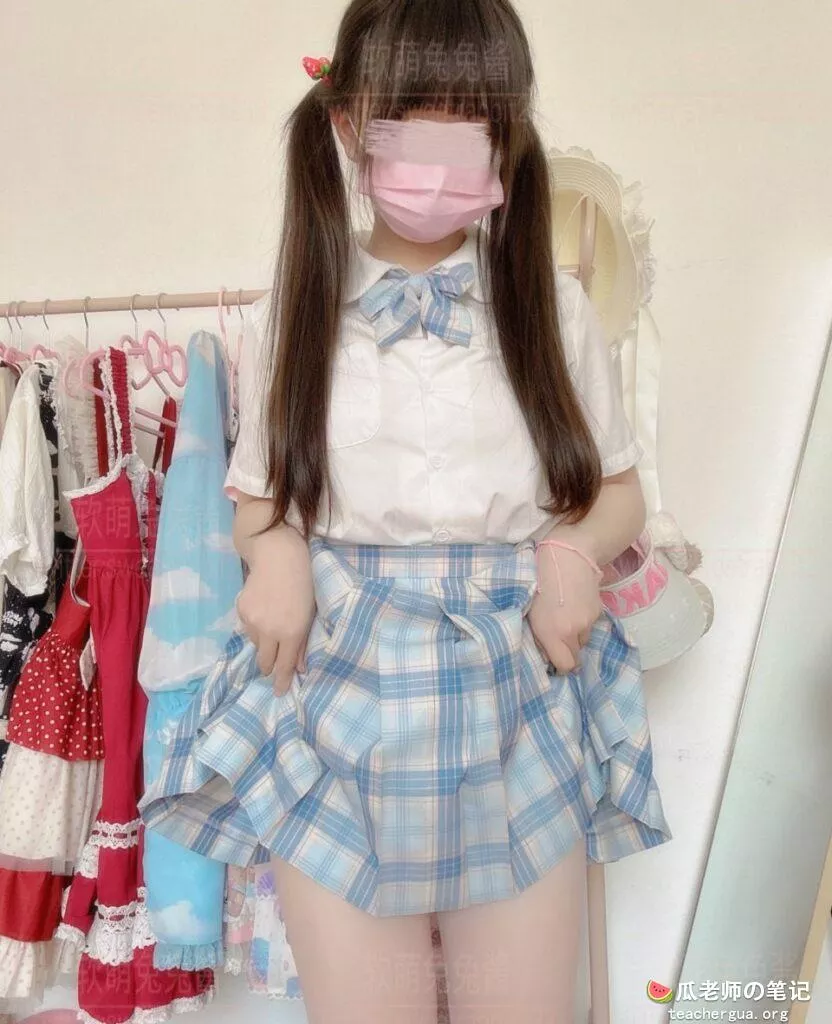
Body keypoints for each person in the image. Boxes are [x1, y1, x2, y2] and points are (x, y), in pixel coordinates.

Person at [139, 1, 672, 1021]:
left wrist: (573, 557)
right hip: (338, 687)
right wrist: (274, 553)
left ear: (508, 134)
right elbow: (259, 501)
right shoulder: (291, 312)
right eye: (413, 123)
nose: (443, 156)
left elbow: (617, 489)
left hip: (512, 688)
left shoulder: (552, 309)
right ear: (347, 124)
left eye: (474, 123)